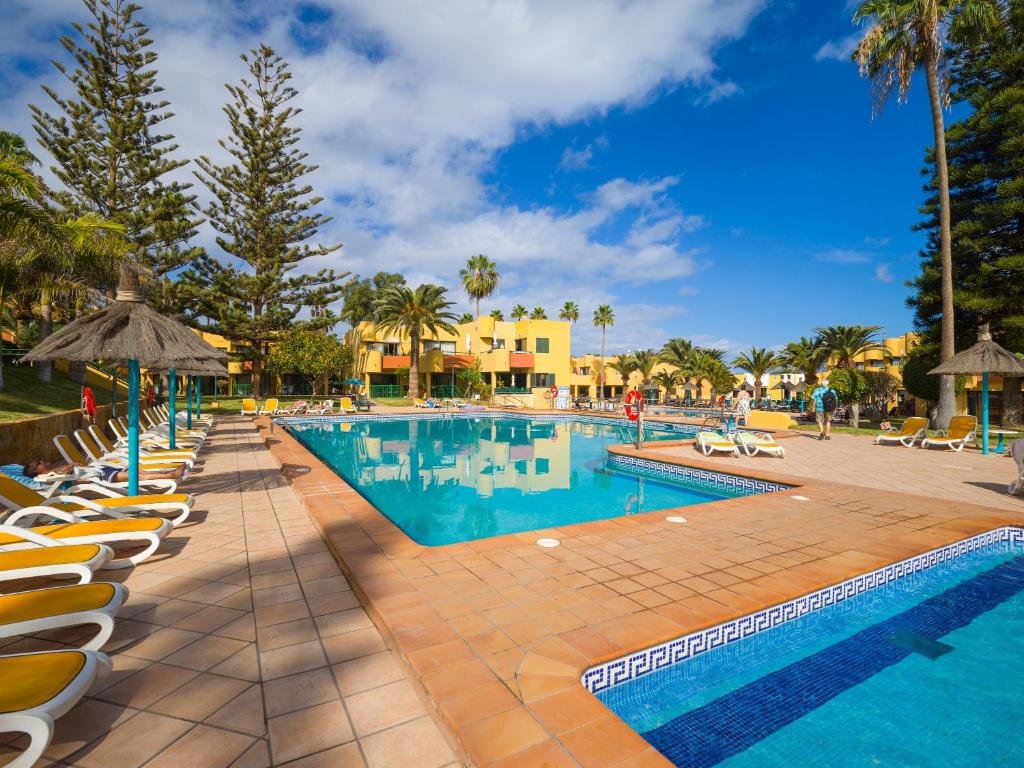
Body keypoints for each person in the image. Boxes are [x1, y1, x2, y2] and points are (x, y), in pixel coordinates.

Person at [23, 459, 185, 485]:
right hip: (101, 476)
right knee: (135, 476)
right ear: (38, 470)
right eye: (39, 462)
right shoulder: (46, 477)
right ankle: (171, 475)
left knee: (135, 470)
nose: (43, 460)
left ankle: (167, 473)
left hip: (99, 469)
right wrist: (70, 466)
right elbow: (68, 479)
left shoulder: (53, 471)